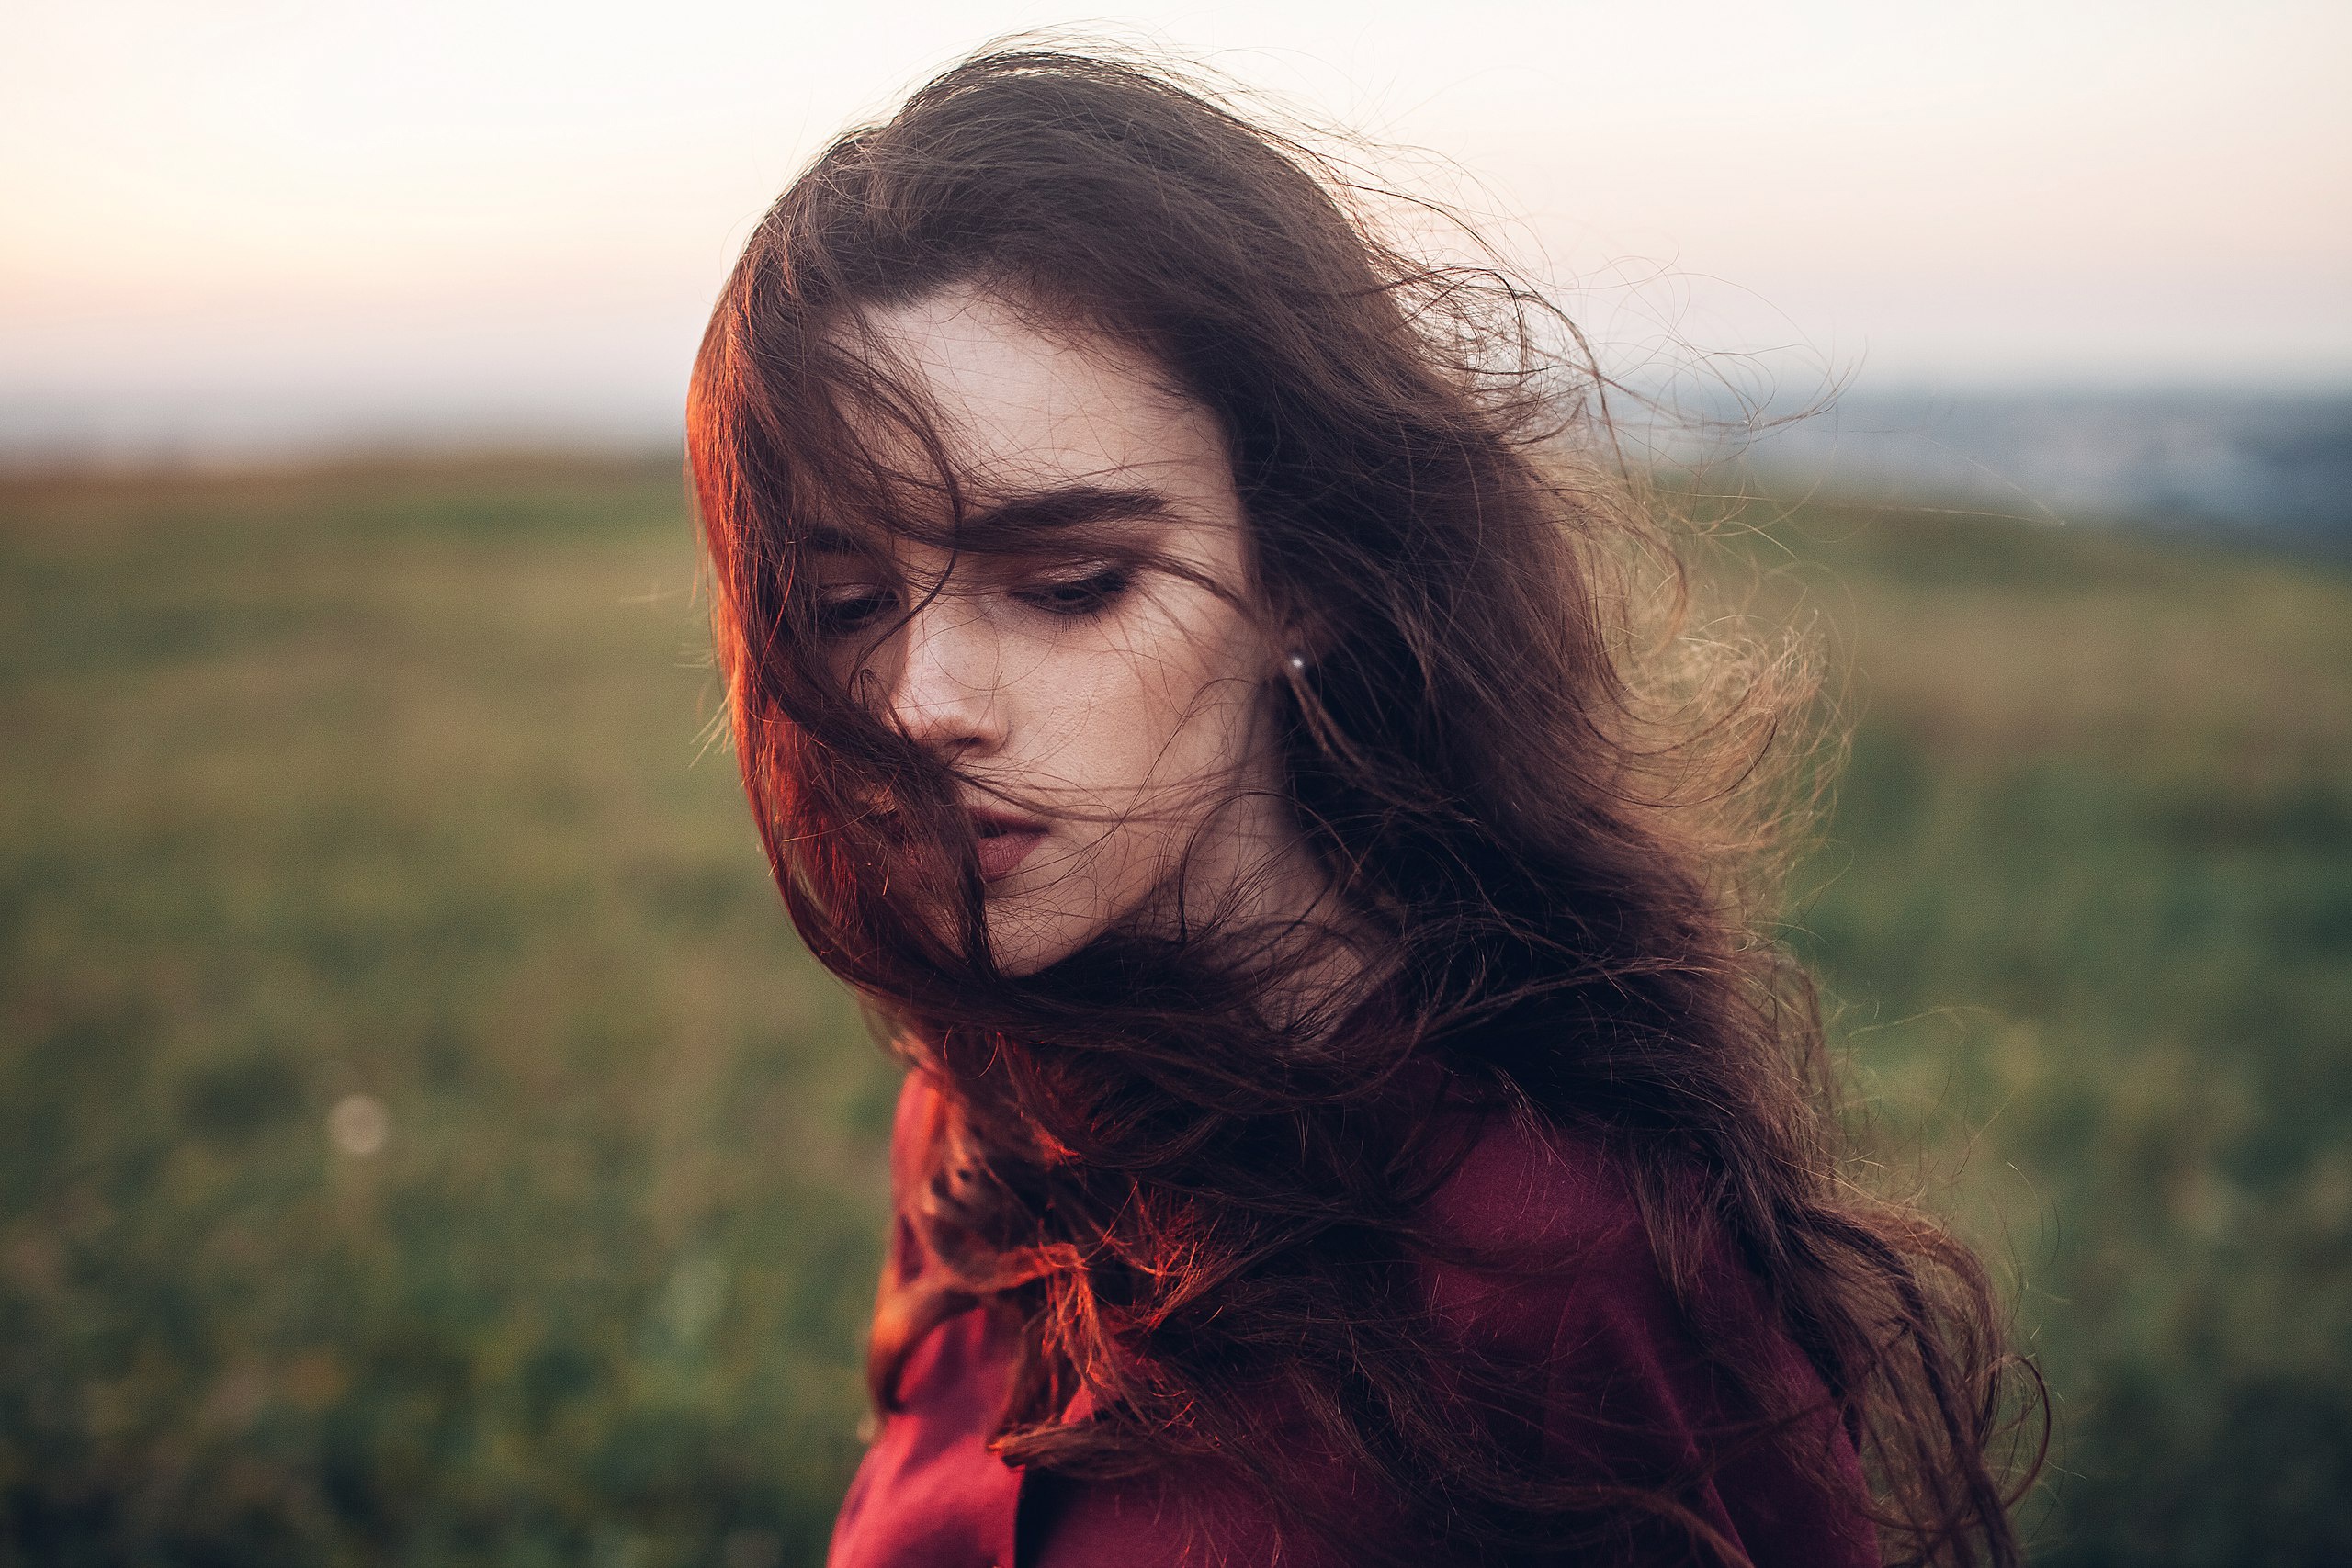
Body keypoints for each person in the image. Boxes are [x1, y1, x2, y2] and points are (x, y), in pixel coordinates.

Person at [687, 44, 2038, 1568]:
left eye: (1069, 585)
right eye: (845, 604)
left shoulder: (1549, 1255)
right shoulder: (978, 1102)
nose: (919, 700)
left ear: (1302, 576)